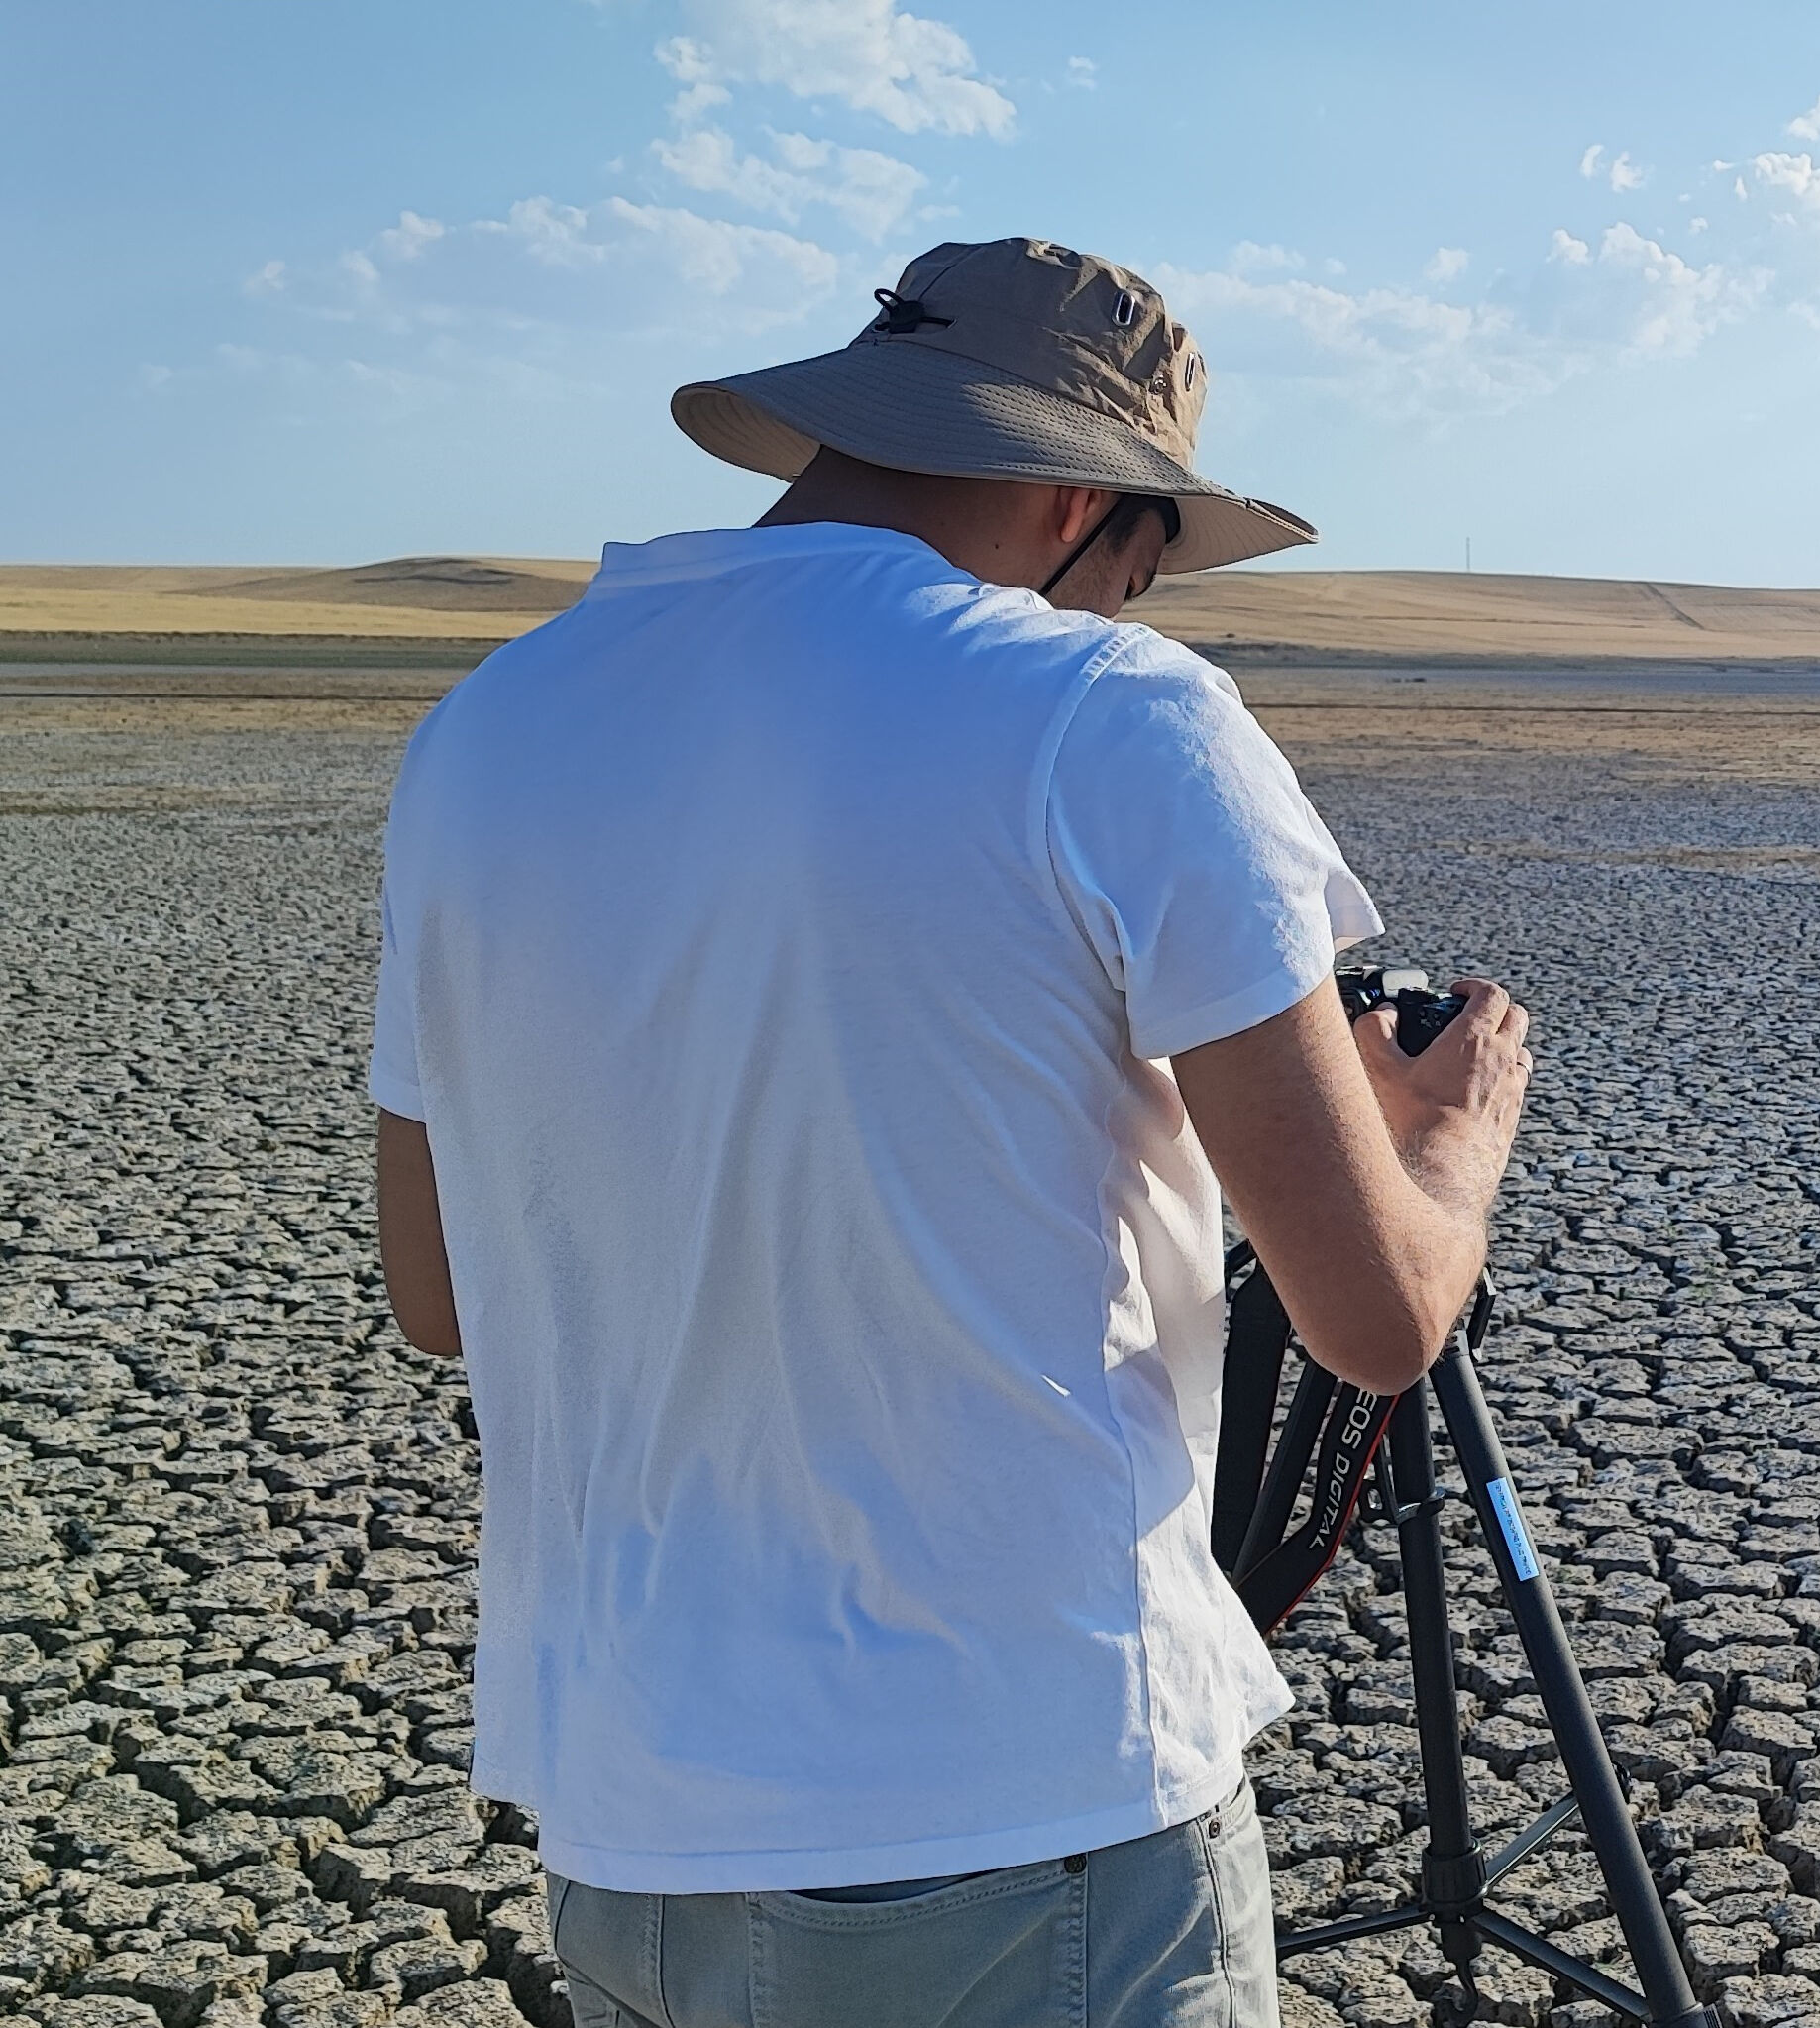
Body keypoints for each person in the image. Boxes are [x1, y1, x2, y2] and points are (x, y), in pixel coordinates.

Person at [367, 237, 1534, 2028]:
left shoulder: (484, 730)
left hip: (628, 1830)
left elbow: (438, 1290)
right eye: (1145, 564)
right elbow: (1375, 1316)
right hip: (1030, 1829)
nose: (1130, 610)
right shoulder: (1108, 718)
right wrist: (1446, 1138)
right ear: (1081, 493)